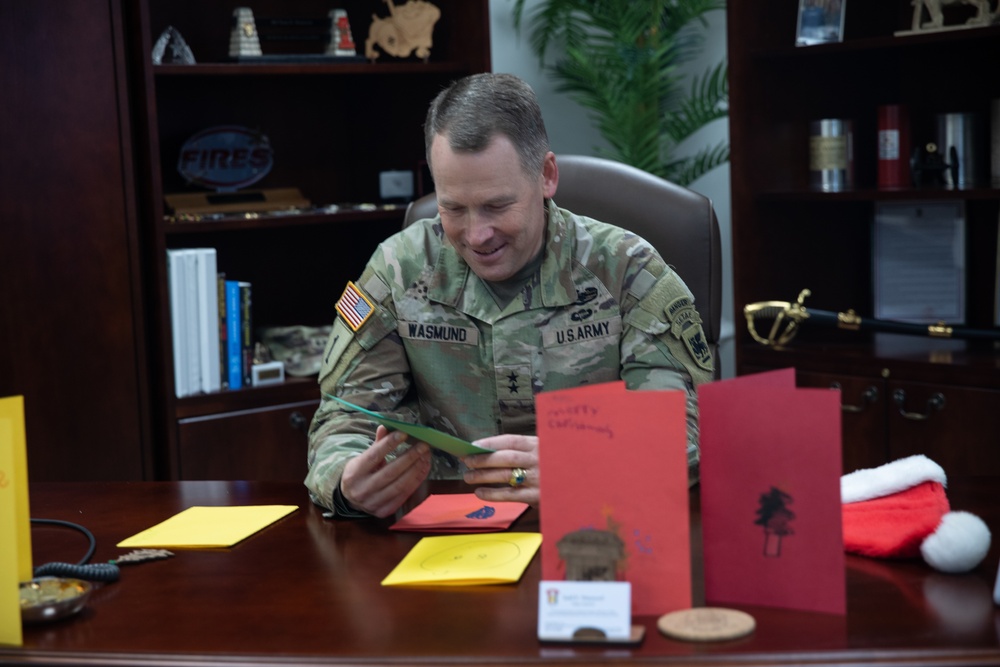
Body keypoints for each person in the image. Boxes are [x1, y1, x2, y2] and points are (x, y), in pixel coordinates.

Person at [306, 72, 714, 518]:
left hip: (599, 531)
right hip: (447, 536)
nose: (477, 235)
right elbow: (343, 414)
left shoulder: (627, 271)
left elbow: (680, 435)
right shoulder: (398, 270)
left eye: (497, 206)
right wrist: (346, 482)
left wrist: (581, 468)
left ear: (546, 176)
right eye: (453, 208)